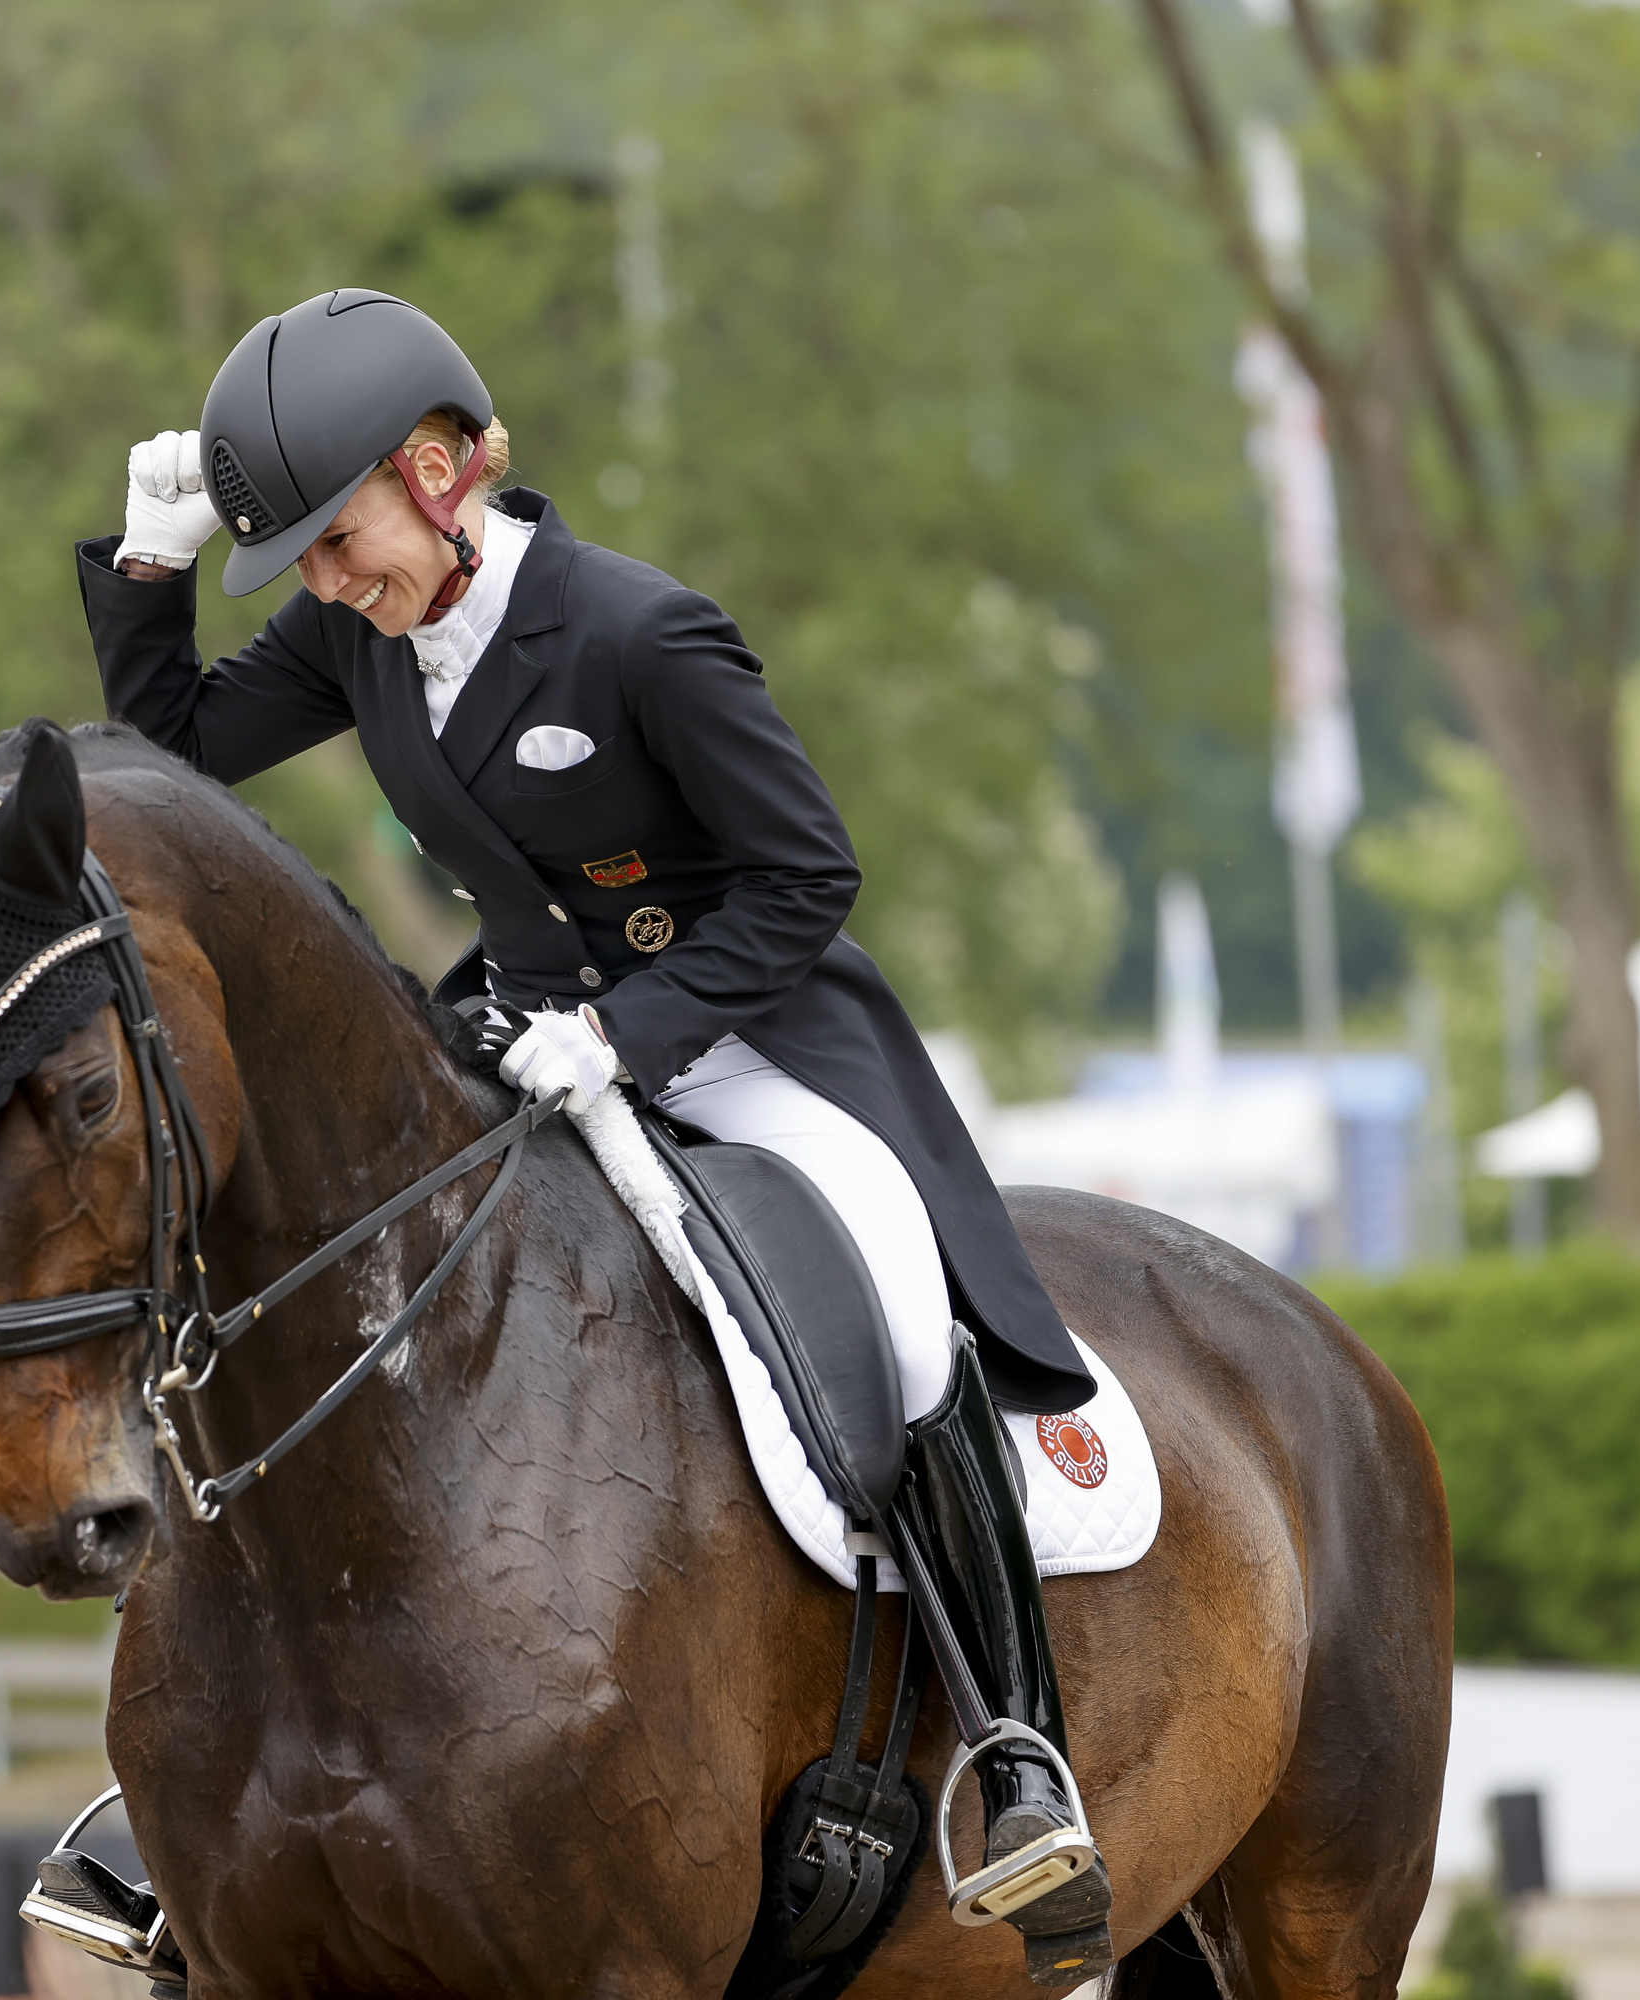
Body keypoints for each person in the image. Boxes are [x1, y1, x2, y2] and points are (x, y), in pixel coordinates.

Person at [75, 289, 1114, 1976]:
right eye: (310, 571)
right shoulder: (363, 633)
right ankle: (216, 1772)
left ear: (435, 473)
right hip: (517, 1025)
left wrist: (630, 1032)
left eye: (336, 545)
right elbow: (176, 752)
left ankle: (1014, 1750)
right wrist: (147, 572)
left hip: (747, 1032)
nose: (331, 588)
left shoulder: (643, 635)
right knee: (313, 1287)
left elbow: (805, 879)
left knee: (898, 1316)